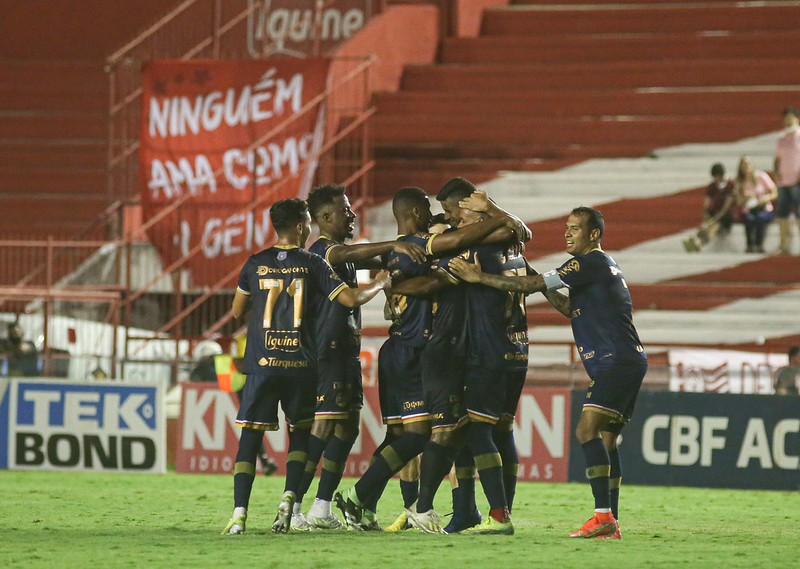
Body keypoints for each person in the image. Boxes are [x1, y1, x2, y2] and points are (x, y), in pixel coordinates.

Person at [450, 205, 648, 539]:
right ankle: (610, 520)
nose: (567, 233)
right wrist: (541, 284)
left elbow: (528, 286)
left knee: (586, 431)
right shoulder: (600, 267)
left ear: (594, 234)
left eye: (574, 228)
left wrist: (478, 277)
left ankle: (603, 517)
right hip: (628, 359)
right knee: (606, 440)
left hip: (616, 361)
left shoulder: (588, 261)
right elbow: (570, 307)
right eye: (566, 227)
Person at [334, 185, 516, 530]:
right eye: (429, 209)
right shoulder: (419, 248)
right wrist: (497, 216)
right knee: (427, 433)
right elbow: (437, 273)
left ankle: (364, 505)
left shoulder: (401, 250)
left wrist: (388, 283)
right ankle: (387, 502)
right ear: (417, 212)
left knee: (404, 437)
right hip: (415, 350)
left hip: (403, 348)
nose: (438, 215)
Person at [221, 197, 391, 535]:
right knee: (300, 436)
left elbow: (236, 312)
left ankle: (239, 515)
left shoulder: (254, 263)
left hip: (262, 362)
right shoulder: (312, 263)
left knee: (250, 440)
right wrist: (382, 282)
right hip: (300, 364)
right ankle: (290, 499)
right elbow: (351, 299)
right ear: (301, 226)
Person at [290, 184, 427, 531]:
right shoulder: (324, 251)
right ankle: (292, 508)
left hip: (345, 352)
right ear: (325, 218)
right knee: (322, 429)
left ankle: (322, 508)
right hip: (328, 353)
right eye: (345, 210)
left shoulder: (343, 252)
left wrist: (417, 245)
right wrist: (397, 244)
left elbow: (372, 257)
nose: (352, 215)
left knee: (347, 428)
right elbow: (363, 255)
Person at [682, 162, 736, 252]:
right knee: (707, 223)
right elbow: (707, 203)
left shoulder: (730, 185)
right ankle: (697, 239)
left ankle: (700, 242)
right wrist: (705, 216)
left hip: (727, 214)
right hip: (715, 211)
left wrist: (714, 220)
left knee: (715, 225)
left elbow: (726, 207)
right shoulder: (712, 186)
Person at [734, 156, 778, 253]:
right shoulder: (740, 182)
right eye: (744, 165)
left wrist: (764, 198)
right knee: (749, 218)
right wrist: (745, 199)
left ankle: (759, 244)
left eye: (748, 164)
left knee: (760, 218)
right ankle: (750, 245)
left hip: (763, 207)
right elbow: (738, 201)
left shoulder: (761, 176)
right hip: (749, 208)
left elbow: (774, 192)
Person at [774, 107, 800, 255]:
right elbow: (777, 159)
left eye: (790, 117)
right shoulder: (781, 139)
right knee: (782, 214)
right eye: (786, 118)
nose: (787, 121)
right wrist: (776, 172)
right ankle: (783, 245)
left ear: (797, 118)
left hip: (798, 182)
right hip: (783, 182)